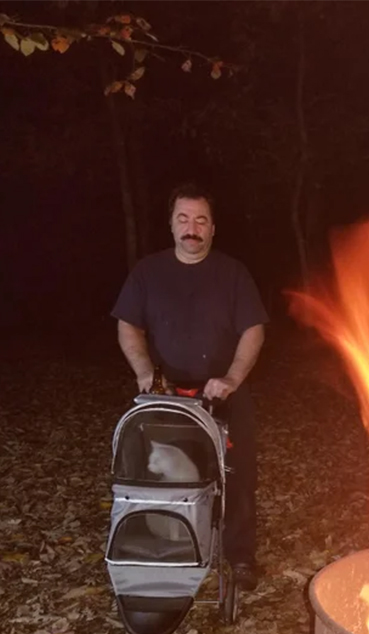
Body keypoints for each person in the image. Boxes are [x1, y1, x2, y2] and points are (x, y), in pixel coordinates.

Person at [111, 182, 268, 590]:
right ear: (171, 224)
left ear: (213, 228)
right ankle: (167, 549)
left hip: (223, 395)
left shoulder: (233, 273)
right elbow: (128, 324)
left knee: (237, 476)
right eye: (183, 218)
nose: (191, 228)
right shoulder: (148, 272)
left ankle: (239, 557)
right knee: (161, 477)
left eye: (201, 220)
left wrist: (232, 377)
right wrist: (145, 371)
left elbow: (253, 329)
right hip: (166, 397)